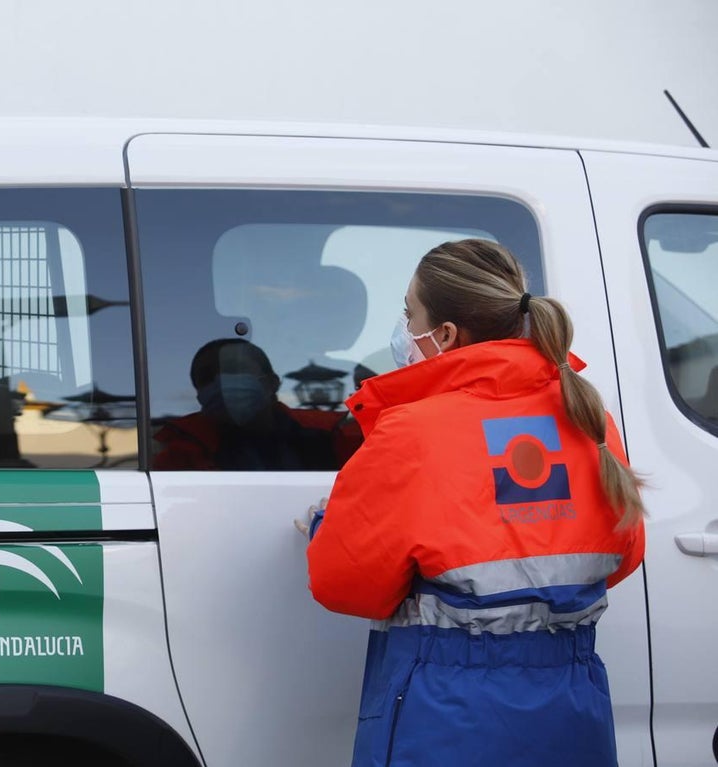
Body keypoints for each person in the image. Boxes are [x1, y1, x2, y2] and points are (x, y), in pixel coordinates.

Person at [306, 239, 645, 767]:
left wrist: (327, 523)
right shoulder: (587, 416)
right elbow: (623, 552)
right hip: (574, 707)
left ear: (444, 335)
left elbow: (345, 585)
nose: (403, 328)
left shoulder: (411, 432)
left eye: (408, 313)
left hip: (448, 714)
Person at [153, 338, 361, 471]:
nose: (222, 384)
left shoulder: (332, 437)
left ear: (271, 383)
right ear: (199, 395)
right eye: (207, 377)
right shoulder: (177, 459)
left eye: (234, 371)